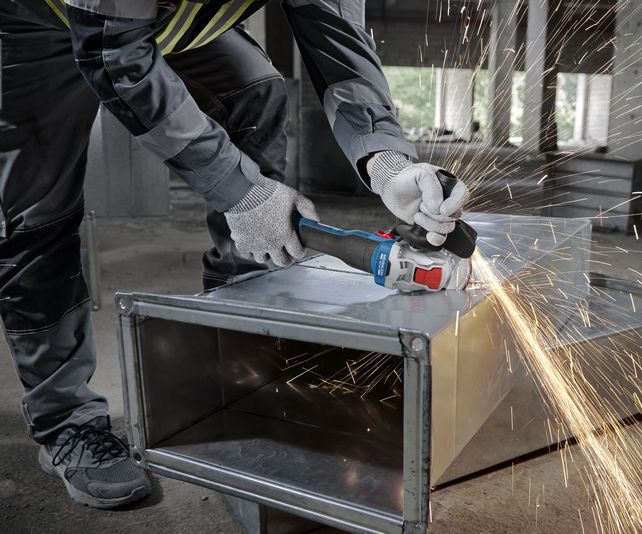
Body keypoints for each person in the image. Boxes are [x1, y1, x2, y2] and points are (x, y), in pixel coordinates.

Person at [0, 0, 469, 509]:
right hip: (43, 22)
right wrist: (240, 191)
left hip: (165, 21)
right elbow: (115, 58)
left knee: (254, 90)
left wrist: (386, 160)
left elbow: (338, 39)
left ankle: (238, 361)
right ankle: (66, 422)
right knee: (35, 217)